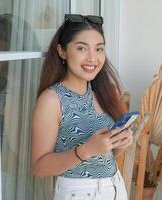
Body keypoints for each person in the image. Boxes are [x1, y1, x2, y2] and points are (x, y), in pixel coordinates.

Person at [32, 14, 133, 200]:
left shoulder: (105, 92)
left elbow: (104, 156)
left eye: (99, 49)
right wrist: (86, 150)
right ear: (62, 52)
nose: (92, 58)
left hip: (115, 188)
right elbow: (39, 167)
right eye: (81, 48)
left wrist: (120, 144)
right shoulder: (52, 100)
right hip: (79, 193)